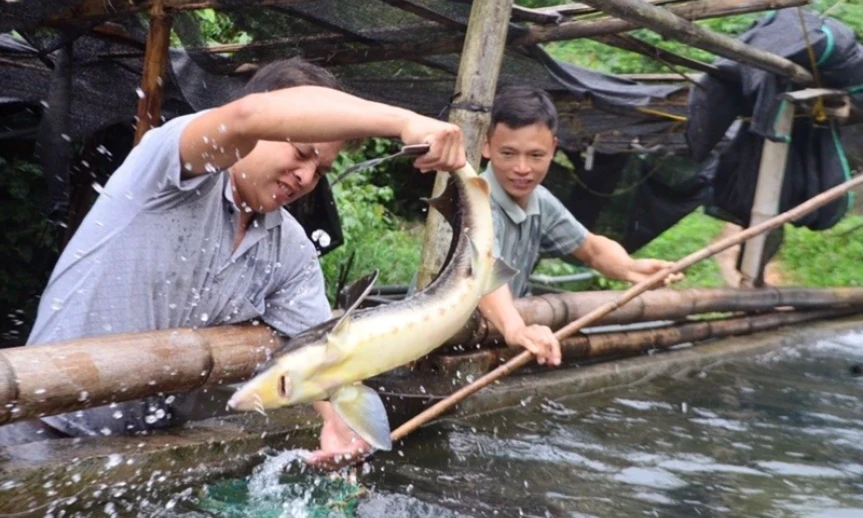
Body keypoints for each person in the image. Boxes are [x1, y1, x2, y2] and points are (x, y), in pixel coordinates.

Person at [0, 58, 466, 469]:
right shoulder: (167, 168)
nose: (305, 176)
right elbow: (246, 115)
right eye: (301, 152)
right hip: (37, 432)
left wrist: (339, 423)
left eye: (320, 170)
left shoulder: (291, 249)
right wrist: (404, 122)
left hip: (143, 453)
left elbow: (327, 354)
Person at [476, 86, 683, 368]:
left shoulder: (541, 201)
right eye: (509, 154)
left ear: (553, 149)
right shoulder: (475, 201)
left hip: (495, 334)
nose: (522, 168)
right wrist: (515, 328)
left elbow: (591, 249)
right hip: (441, 339)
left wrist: (631, 268)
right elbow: (484, 274)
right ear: (486, 147)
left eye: (536, 156)